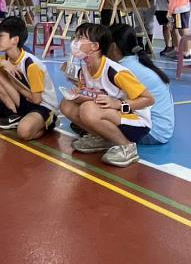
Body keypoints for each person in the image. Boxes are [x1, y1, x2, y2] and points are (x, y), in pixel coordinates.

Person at [59, 23, 155, 167]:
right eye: (75, 37)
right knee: (67, 105)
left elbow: (149, 99)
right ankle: (102, 139)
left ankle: (127, 147)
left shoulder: (115, 72)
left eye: (80, 38)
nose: (75, 42)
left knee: (88, 109)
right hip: (113, 116)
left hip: (136, 123)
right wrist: (79, 96)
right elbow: (97, 97)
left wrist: (118, 104)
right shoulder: (86, 68)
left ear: (94, 46)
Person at [0, 17, 59, 140]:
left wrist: (12, 81)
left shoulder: (31, 64)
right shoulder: (6, 59)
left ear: (15, 40)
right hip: (23, 100)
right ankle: (14, 113)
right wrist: (2, 64)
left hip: (43, 106)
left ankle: (48, 123)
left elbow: (36, 100)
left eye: (1, 36)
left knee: (23, 132)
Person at [109, 24, 174, 144]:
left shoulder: (123, 69)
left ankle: (123, 145)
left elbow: (111, 101)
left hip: (151, 132)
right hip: (162, 130)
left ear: (113, 47)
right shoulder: (136, 61)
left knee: (97, 110)